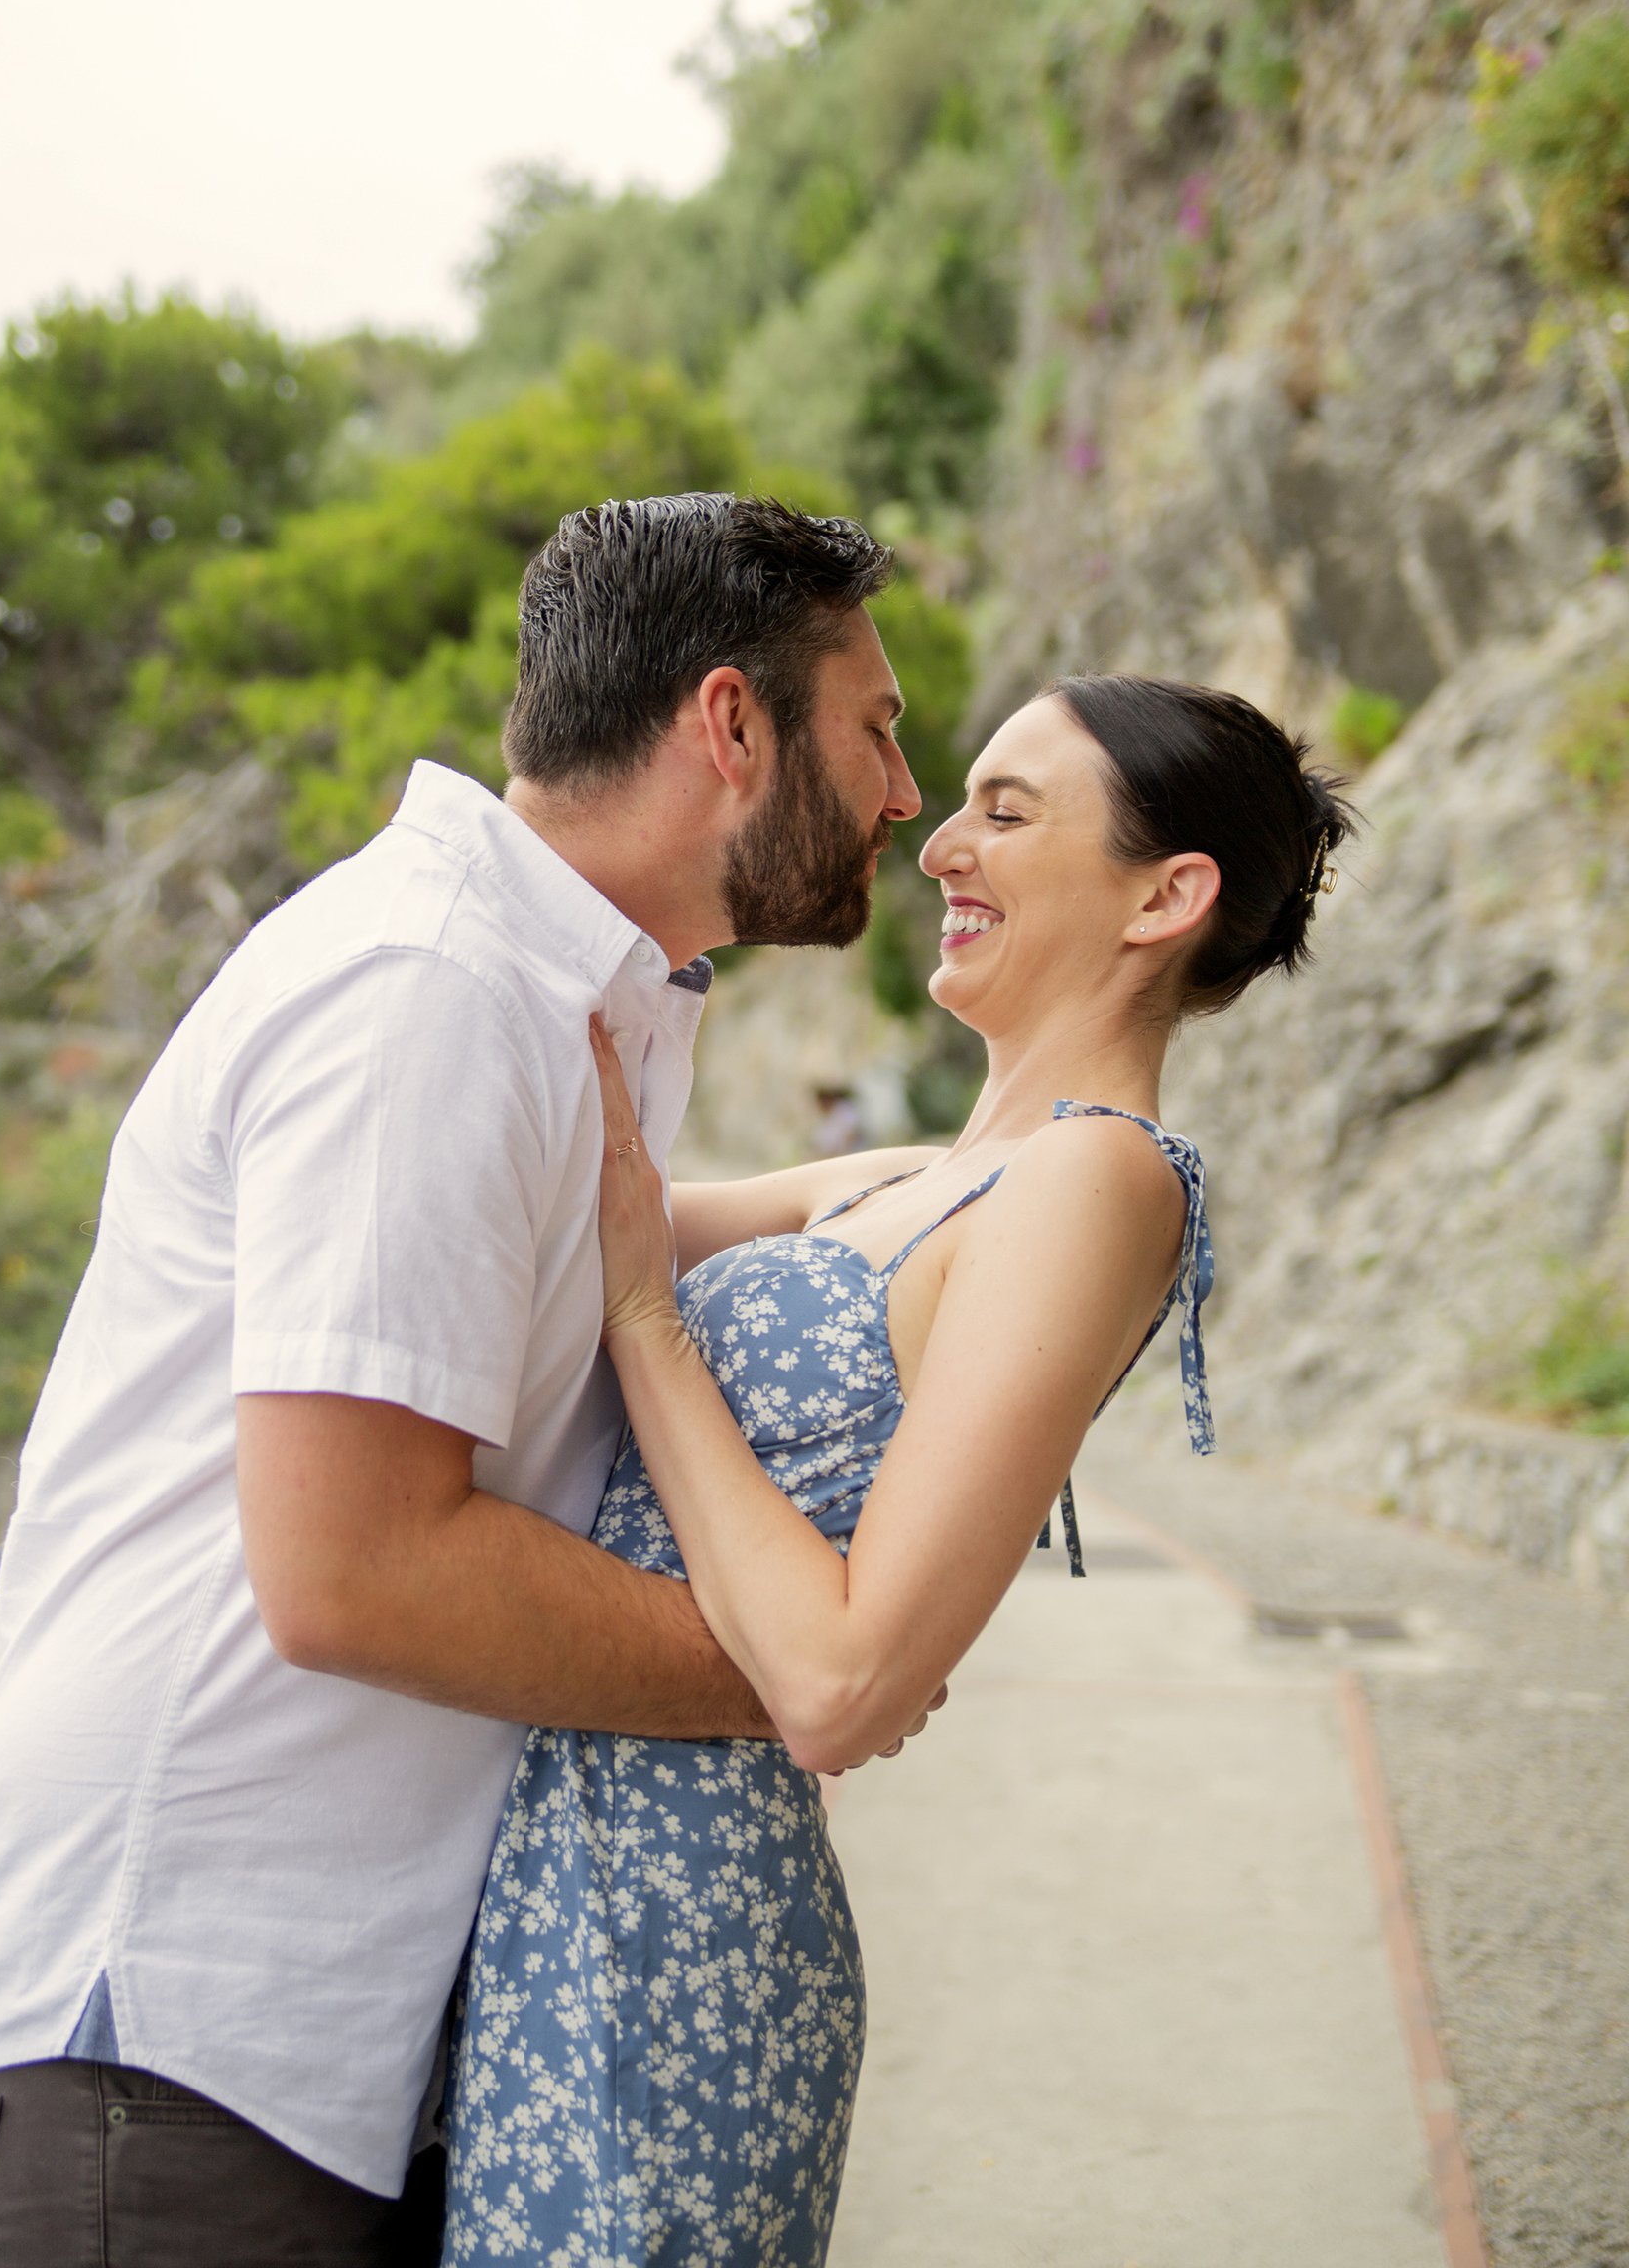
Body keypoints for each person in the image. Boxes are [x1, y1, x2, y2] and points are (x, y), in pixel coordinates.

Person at [0, 493, 929, 2268]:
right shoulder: (428, 991)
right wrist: (802, 1673)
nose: (904, 791)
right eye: (877, 728)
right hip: (155, 2058)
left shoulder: (539, 987)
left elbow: (596, 1249)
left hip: (268, 2067)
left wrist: (962, 1186)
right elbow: (356, 1570)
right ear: (733, 726)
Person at [443, 672, 1352, 2267]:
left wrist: (651, 1319)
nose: (938, 845)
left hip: (678, 1935)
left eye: (1008, 812)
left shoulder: (1098, 1177)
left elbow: (843, 1680)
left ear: (1164, 898)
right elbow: (552, 1210)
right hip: (537, 1868)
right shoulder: (901, 1178)